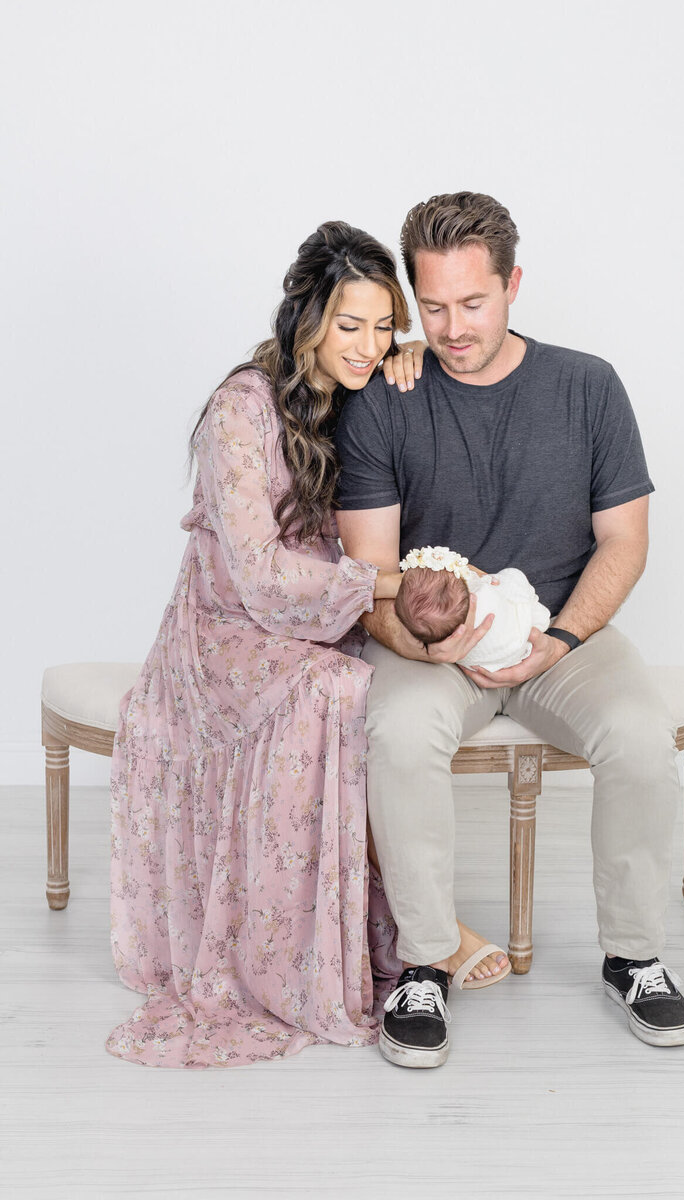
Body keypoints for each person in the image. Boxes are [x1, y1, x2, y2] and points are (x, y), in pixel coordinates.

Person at [335, 191, 684, 1070]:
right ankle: (424, 962)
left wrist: (563, 640)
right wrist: (431, 645)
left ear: (514, 285)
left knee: (643, 734)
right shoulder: (387, 397)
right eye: (434, 307)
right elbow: (369, 573)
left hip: (558, 631)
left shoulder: (587, 385)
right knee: (397, 727)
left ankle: (634, 955)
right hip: (433, 643)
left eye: (474, 302)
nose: (452, 328)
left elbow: (625, 541)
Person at [106, 221, 414, 1068]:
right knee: (337, 691)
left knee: (363, 680)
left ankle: (394, 923)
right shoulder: (243, 407)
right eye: (348, 325)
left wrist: (406, 360)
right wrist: (380, 585)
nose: (368, 345)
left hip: (315, 617)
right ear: (305, 317)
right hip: (221, 632)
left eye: (384, 325)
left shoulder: (365, 386)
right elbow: (259, 577)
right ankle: (289, 957)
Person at [394, 545, 550, 671]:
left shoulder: (444, 639)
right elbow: (480, 579)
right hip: (521, 638)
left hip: (486, 665)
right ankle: (539, 618)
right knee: (511, 578)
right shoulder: (478, 595)